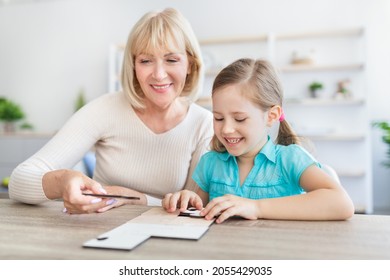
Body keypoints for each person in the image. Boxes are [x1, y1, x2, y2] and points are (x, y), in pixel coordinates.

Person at [9, 8, 213, 214]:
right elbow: (18, 182)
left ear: (190, 64)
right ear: (133, 66)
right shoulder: (105, 109)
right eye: (145, 61)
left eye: (171, 60)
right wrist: (62, 181)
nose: (159, 75)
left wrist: (134, 198)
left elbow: (192, 208)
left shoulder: (204, 124)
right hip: (97, 234)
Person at [163, 58, 355, 223]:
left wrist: (256, 208)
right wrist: (187, 199)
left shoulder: (290, 159)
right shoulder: (210, 163)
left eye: (239, 119)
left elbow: (342, 203)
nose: (226, 129)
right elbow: (200, 207)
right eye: (219, 118)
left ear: (271, 116)